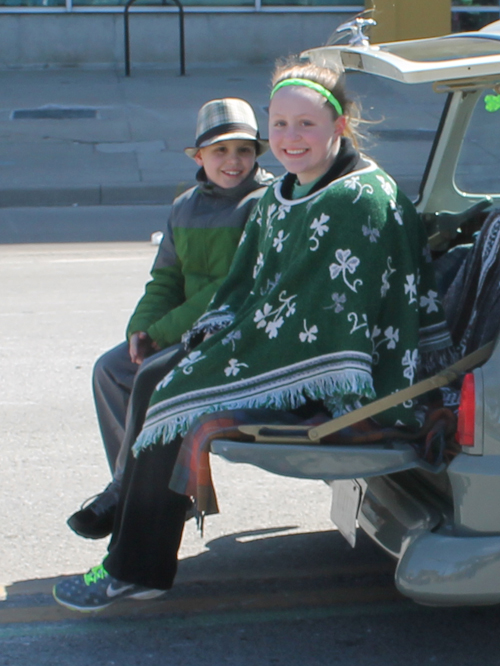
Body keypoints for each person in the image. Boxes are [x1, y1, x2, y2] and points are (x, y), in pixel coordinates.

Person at [54, 58, 454, 612]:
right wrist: (213, 336)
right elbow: (250, 287)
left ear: (339, 126)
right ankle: (129, 531)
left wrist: (230, 349)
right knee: (151, 375)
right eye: (281, 124)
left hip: (343, 375)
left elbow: (334, 316)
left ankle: (133, 568)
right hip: (286, 343)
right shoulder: (282, 193)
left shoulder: (358, 198)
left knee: (175, 394)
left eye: (307, 124)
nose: (291, 138)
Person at [66, 97, 274, 540]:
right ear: (199, 157)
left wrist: (162, 335)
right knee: (110, 370)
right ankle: (140, 487)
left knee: (152, 378)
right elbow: (165, 279)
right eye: (220, 151)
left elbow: (231, 289)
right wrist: (141, 330)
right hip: (183, 332)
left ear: (258, 153)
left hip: (234, 335)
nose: (233, 161)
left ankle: (131, 494)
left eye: (244, 150)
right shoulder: (185, 207)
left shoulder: (267, 205)